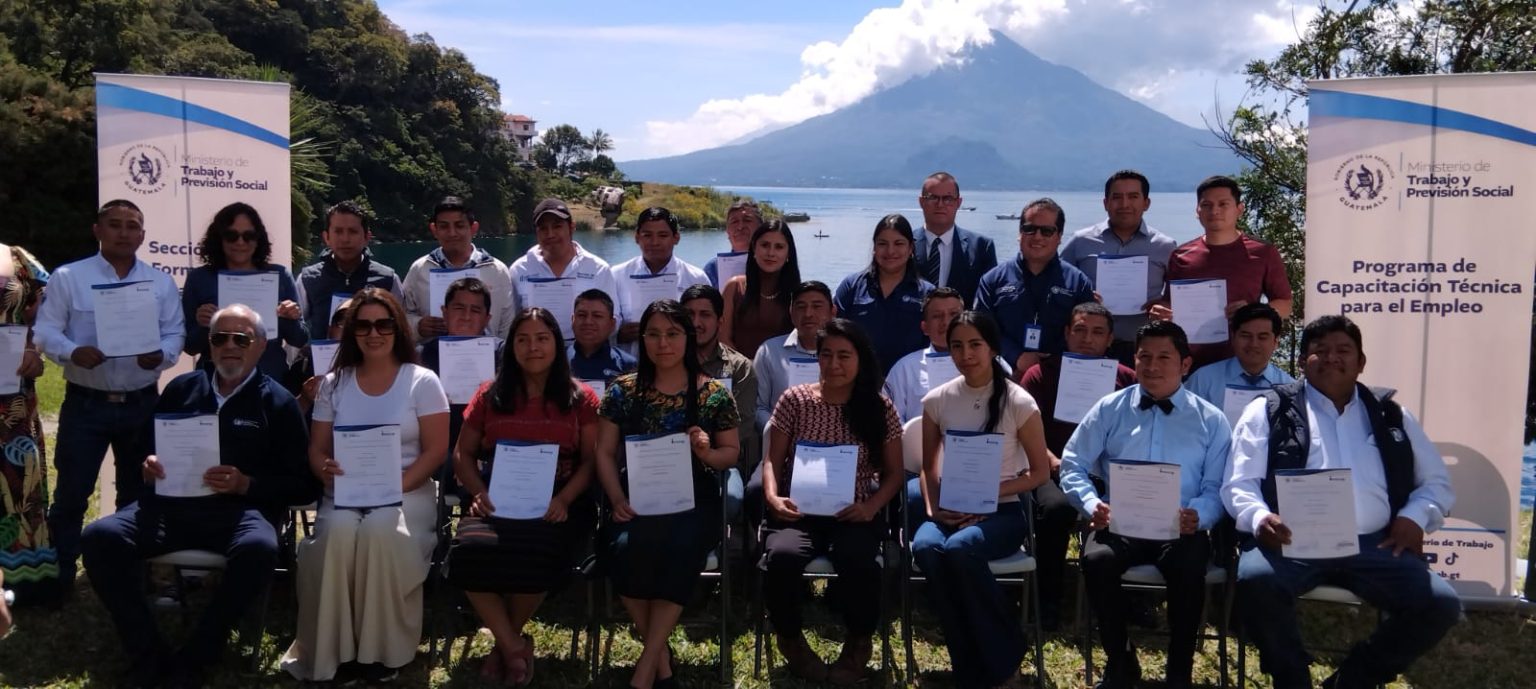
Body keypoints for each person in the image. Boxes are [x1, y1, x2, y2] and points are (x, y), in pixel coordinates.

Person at [82, 305, 318, 688]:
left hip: (238, 514)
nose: (229, 346)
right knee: (99, 537)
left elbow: (303, 485)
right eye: (219, 338)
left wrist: (247, 484)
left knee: (260, 548)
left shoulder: (278, 403)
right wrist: (149, 465)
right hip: (168, 507)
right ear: (208, 345)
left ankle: (197, 655)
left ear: (261, 346)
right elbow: (146, 451)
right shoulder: (181, 389)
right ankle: (148, 652)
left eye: (241, 339)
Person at [1224, 315, 1459, 689]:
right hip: (1290, 542)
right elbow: (1239, 482)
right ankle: (1292, 680)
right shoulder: (1268, 409)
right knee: (1256, 580)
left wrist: (1415, 517)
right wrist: (1259, 517)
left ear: (1361, 362)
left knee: (1440, 604)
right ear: (1301, 362)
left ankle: (1351, 681)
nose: (1331, 358)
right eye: (1319, 351)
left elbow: (1435, 483)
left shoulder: (1392, 414)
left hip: (1374, 543)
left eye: (1343, 350)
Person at [281, 288, 450, 683]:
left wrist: (395, 487)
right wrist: (325, 470)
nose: (374, 333)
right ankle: (331, 653)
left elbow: (435, 451)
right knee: (338, 534)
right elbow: (317, 449)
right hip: (343, 493)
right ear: (352, 332)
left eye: (383, 324)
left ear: (398, 327)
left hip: (408, 492)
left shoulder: (422, 381)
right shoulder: (334, 384)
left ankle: (381, 653)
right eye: (363, 325)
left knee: (379, 531)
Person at [1059, 320, 1232, 689]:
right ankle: (1121, 662)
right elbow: (1072, 464)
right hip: (1118, 521)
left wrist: (1199, 515)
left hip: (1180, 525)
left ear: (1185, 364)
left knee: (1188, 569)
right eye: (1144, 357)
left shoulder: (1212, 420)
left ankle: (1179, 671)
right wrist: (1092, 505)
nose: (1152, 366)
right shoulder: (1110, 408)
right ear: (1134, 360)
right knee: (1096, 560)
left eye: (1164, 357)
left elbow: (1218, 486)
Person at [33, 199, 185, 591]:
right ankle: (61, 575)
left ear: (142, 235)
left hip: (141, 401)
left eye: (132, 226)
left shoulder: (160, 283)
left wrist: (163, 355)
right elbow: (46, 331)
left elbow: (175, 333)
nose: (123, 232)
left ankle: (125, 573)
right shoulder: (69, 278)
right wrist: (71, 351)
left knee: (137, 495)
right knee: (72, 493)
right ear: (97, 230)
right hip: (86, 403)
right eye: (114, 224)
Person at [444, 307, 598, 686]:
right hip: (496, 502)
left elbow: (593, 462)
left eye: (542, 338)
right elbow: (462, 455)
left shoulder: (582, 399)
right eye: (523, 339)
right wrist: (477, 493)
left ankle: (503, 644)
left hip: (557, 506)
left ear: (556, 346)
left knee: (540, 553)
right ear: (510, 346)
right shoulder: (489, 394)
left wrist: (564, 500)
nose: (533, 347)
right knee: (466, 551)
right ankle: (513, 646)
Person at [595, 299, 740, 689]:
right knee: (622, 547)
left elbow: (731, 454)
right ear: (642, 339)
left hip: (694, 499)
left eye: (673, 334)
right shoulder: (621, 391)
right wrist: (615, 498)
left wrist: (707, 451)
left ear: (688, 339)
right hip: (634, 497)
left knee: (680, 546)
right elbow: (604, 453)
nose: (663, 343)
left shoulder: (713, 394)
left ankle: (645, 669)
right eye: (654, 334)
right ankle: (660, 658)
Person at [912, 311, 1055, 689]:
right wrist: (934, 508)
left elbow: (1040, 473)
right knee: (926, 546)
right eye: (956, 345)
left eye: (975, 344)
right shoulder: (937, 400)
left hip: (1003, 511)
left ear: (992, 347)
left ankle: (1004, 656)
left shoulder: (1019, 402)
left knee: (960, 550)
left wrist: (987, 497)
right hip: (949, 508)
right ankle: (970, 665)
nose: (965, 354)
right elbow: (928, 467)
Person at [759, 319, 903, 684]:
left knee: (860, 560)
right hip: (798, 512)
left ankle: (858, 642)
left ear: (860, 359)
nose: (834, 364)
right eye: (826, 355)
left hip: (853, 511)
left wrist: (871, 507)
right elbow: (772, 461)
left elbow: (894, 474)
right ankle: (790, 640)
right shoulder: (795, 400)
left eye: (844, 355)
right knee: (782, 557)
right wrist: (774, 497)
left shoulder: (878, 407)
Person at [1018, 301, 1136, 630]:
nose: (1087, 338)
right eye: (1080, 330)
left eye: (1098, 332)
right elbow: (1022, 429)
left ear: (1110, 339)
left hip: (1107, 473)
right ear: (1067, 333)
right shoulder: (1040, 375)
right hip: (1051, 467)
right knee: (1055, 509)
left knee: (1135, 502)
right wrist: (1051, 460)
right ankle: (1048, 600)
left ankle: (1130, 599)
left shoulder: (1127, 380)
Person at [1151, 175, 1293, 369]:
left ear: (1239, 209)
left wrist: (1251, 313)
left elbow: (1285, 305)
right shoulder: (1181, 255)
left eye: (1223, 204)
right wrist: (1162, 312)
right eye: (1207, 205)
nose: (1214, 211)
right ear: (1197, 211)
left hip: (1241, 362)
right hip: (1189, 362)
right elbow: (1170, 302)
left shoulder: (1263, 252)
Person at [1060, 170, 1178, 365]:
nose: (1124, 204)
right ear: (1105, 203)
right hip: (1089, 348)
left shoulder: (1164, 246)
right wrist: (1081, 298)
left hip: (1141, 350)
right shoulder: (1081, 241)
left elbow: (1178, 295)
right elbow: (1058, 285)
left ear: (1146, 203)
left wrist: (1166, 306)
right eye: (1117, 197)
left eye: (1133, 197)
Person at [181, 202, 308, 380]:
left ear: (258, 239)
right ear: (219, 238)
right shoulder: (199, 279)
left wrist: (289, 319)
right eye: (231, 236)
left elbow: (300, 339)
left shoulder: (279, 275)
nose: (240, 242)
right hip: (215, 382)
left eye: (249, 236)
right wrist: (204, 326)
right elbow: (189, 347)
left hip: (269, 380)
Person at [974, 197, 1096, 375]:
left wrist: (1048, 362)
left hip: (1058, 376)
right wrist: (1017, 357)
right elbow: (982, 328)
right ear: (1019, 233)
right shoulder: (992, 280)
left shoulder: (1078, 282)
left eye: (1047, 231)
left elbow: (1084, 332)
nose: (1037, 236)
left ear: (1059, 237)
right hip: (1003, 376)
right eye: (1029, 229)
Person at [0, 243, 53, 603]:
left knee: (18, 482)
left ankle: (23, 577)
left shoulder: (18, 257)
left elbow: (53, 310)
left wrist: (34, 347)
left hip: (11, 397)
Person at [680, 284, 759, 522]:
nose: (696, 323)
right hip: (669, 455)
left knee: (730, 501)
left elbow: (744, 426)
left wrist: (708, 447)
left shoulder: (739, 367)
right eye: (689, 315)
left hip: (722, 462)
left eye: (705, 315)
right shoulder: (665, 360)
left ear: (720, 321)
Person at [418, 278, 505, 491]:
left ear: (487, 318)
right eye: (459, 308)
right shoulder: (423, 355)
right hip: (441, 444)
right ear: (444, 313)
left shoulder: (503, 353)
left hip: (488, 443)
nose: (466, 317)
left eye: (475, 311)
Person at [401, 195, 515, 340]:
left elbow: (508, 324)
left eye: (459, 226)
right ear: (434, 229)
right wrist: (418, 326)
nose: (452, 233)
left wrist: (500, 356)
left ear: (473, 228)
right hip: (432, 359)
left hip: (487, 358)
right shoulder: (420, 269)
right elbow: (400, 317)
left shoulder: (497, 270)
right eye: (444, 226)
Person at [833, 213, 935, 375]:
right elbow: (834, 334)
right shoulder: (852, 286)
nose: (890, 251)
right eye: (882, 244)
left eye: (898, 243)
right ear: (874, 248)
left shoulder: (927, 293)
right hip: (858, 383)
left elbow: (934, 344)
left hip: (909, 383)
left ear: (911, 249)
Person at [509, 198, 617, 341]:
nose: (550, 234)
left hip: (583, 356)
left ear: (572, 227)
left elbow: (615, 319)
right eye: (543, 228)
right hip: (536, 355)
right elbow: (512, 320)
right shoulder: (519, 270)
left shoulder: (598, 269)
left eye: (557, 226)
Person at [297, 200, 405, 341]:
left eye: (353, 232)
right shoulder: (308, 279)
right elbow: (298, 329)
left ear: (367, 237)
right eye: (338, 231)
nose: (345, 239)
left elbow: (402, 329)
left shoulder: (388, 279)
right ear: (326, 237)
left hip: (374, 361)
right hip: (324, 361)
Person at [612, 207, 710, 350]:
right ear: (637, 237)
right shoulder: (616, 275)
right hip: (629, 365)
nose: (655, 242)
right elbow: (604, 324)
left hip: (681, 365)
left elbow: (709, 325)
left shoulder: (696, 278)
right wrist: (619, 335)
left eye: (663, 235)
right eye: (647, 235)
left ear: (676, 238)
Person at [752, 281, 837, 442]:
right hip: (781, 445)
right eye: (801, 307)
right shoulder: (769, 352)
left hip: (835, 445)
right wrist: (781, 432)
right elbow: (758, 407)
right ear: (791, 313)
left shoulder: (847, 354)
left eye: (817, 306)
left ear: (833, 312)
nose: (808, 314)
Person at [1184, 302, 1294, 409]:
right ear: (1233, 337)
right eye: (1246, 336)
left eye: (1262, 337)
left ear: (1276, 342)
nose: (1253, 344)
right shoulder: (1203, 380)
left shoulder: (1289, 387)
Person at [883, 287, 969, 423]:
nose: (946, 322)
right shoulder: (904, 369)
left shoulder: (989, 362)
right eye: (937, 316)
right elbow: (891, 423)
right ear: (925, 327)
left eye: (953, 314)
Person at [912, 172, 997, 305]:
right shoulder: (903, 244)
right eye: (933, 197)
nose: (940, 204)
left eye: (948, 198)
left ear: (958, 202)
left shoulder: (982, 247)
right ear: (921, 201)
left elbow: (988, 301)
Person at [721, 219, 799, 357]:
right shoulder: (734, 288)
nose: (771, 253)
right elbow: (723, 339)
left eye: (779, 247)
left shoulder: (798, 294)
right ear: (754, 249)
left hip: (782, 374)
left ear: (788, 254)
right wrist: (748, 370)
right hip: (739, 373)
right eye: (765, 245)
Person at [568, 288, 636, 392]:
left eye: (597, 316)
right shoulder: (558, 360)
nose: (588, 321)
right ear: (573, 320)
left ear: (612, 324)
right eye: (582, 315)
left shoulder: (627, 364)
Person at [703, 199, 760, 289]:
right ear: (727, 230)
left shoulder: (770, 263)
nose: (740, 227)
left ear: (761, 228)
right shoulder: (713, 269)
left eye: (747, 220)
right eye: (734, 222)